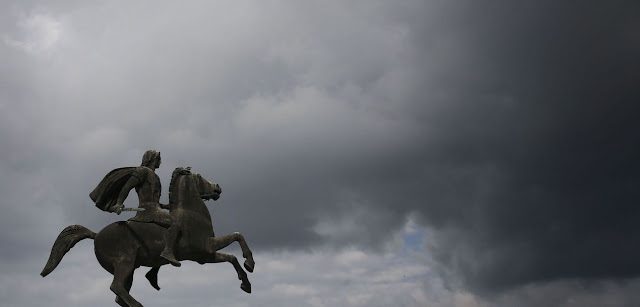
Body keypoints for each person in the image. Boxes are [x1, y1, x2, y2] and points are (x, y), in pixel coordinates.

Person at [89, 150, 181, 267]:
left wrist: (167, 206)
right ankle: (167, 252)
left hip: (155, 209)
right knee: (175, 223)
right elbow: (127, 187)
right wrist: (119, 203)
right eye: (158, 159)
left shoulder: (156, 177)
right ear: (152, 159)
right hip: (147, 211)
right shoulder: (142, 172)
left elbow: (155, 201)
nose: (160, 162)